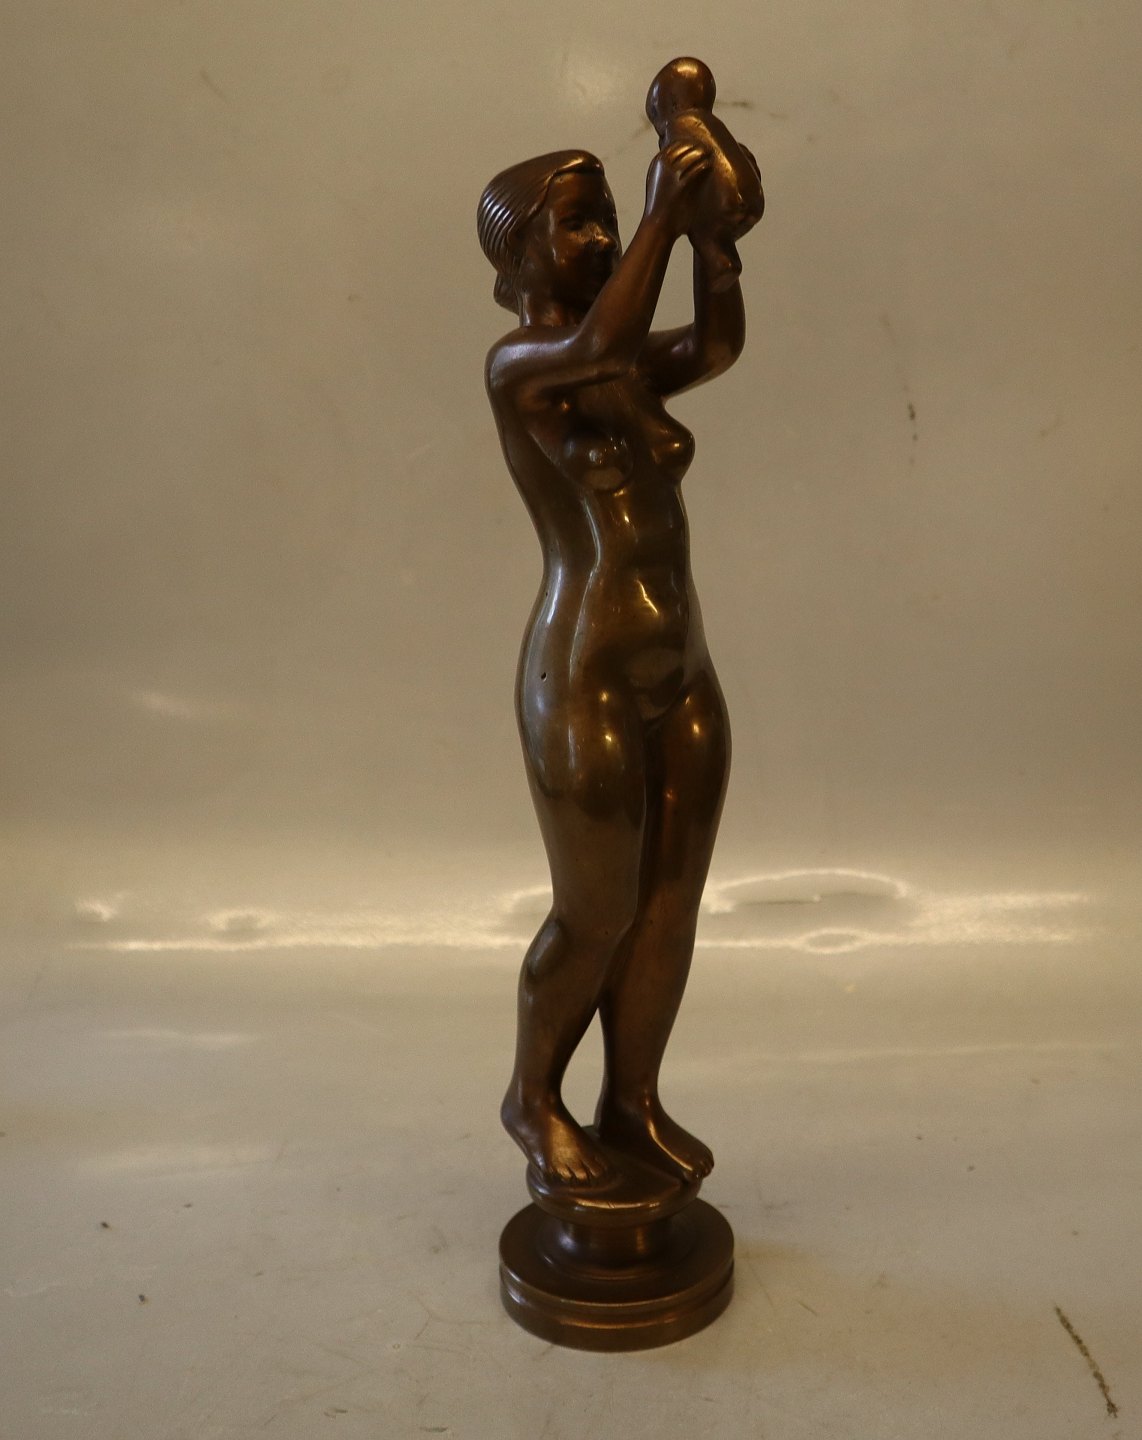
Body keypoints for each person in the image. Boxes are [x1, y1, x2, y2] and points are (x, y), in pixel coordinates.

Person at [477, 134, 758, 1189]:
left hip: (680, 665)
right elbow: (601, 340)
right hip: (583, 669)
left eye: (607, 219)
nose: (599, 239)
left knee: (670, 903)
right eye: (579, 222)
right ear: (518, 256)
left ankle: (632, 1102)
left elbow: (716, 347)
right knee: (596, 912)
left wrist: (714, 244)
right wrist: (660, 220)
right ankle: (533, 1098)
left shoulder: (621, 366)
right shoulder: (523, 368)